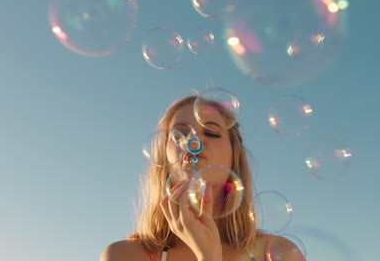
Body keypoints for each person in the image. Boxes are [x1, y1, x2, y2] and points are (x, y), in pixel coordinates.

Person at [99, 95, 305, 261]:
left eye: (212, 133)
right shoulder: (124, 256)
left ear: (235, 157)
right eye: (180, 134)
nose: (194, 141)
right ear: (164, 157)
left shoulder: (281, 254)